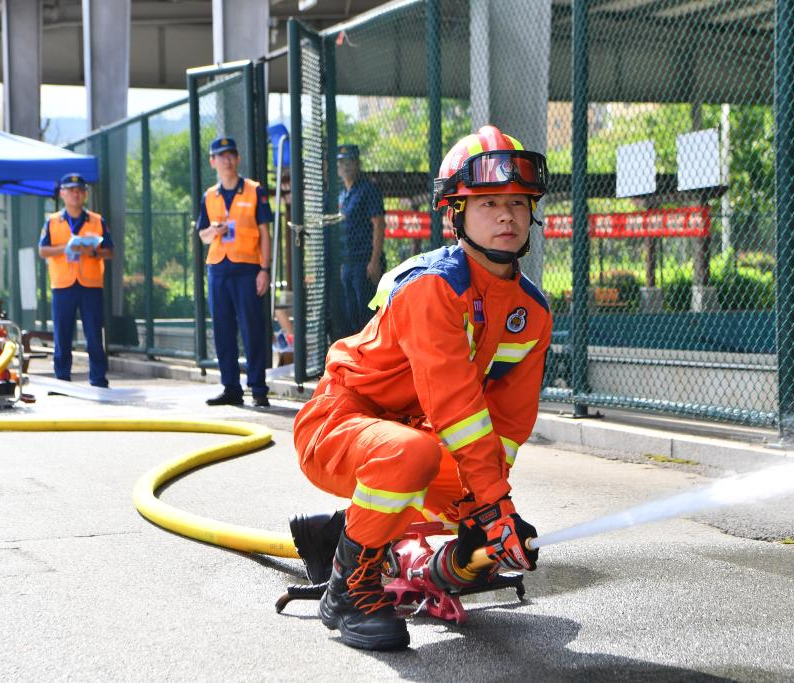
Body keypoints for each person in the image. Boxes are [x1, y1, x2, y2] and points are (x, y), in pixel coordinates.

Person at [290, 125, 552, 651]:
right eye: (489, 203)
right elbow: (456, 407)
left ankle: (365, 540)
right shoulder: (432, 286)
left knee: (468, 499)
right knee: (412, 458)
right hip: (340, 420)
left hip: (409, 435)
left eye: (519, 203)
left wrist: (491, 514)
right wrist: (492, 507)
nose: (507, 215)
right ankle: (349, 592)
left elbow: (505, 429)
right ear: (454, 214)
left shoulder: (533, 312)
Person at [196, 136, 273, 408]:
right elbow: (203, 235)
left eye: (231, 155)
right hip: (218, 268)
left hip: (248, 269)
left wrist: (265, 269)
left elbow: (265, 232)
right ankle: (231, 387)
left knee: (252, 329)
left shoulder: (254, 191)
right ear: (212, 161)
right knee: (222, 330)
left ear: (237, 159)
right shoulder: (209, 196)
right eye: (221, 156)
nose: (227, 160)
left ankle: (258, 388)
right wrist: (213, 231)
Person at [38, 173, 113, 388]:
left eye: (79, 191)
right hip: (63, 285)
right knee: (62, 334)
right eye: (71, 191)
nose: (75, 195)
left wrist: (94, 253)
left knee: (94, 333)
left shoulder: (97, 220)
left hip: (90, 284)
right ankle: (62, 378)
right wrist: (66, 247)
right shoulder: (52, 221)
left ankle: (98, 378)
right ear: (62, 194)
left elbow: (110, 251)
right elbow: (42, 250)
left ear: (85, 195)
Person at [336, 144, 386, 336]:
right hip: (347, 263)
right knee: (351, 315)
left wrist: (374, 261)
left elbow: (378, 224)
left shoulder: (368, 189)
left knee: (367, 314)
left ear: (357, 163)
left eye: (348, 161)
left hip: (365, 262)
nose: (344, 166)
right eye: (341, 162)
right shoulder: (343, 194)